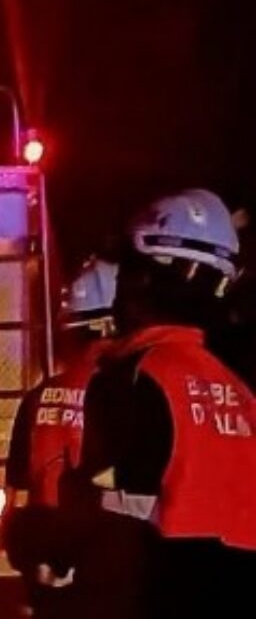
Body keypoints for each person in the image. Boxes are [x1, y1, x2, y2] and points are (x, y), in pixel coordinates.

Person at [60, 188, 256, 618]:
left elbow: (107, 523)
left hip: (160, 592)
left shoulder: (131, 376)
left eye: (128, 270)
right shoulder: (240, 392)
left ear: (148, 279)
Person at [2, 258, 117, 617]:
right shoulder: (123, 396)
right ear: (110, 325)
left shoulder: (38, 396)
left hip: (42, 560)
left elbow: (17, 492)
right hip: (99, 565)